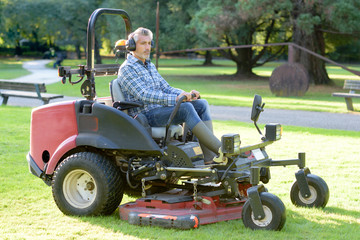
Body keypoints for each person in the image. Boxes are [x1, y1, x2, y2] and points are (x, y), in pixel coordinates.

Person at [116, 27, 221, 164]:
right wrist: (176, 99)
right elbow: (143, 94)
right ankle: (221, 150)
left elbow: (166, 87)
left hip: (160, 111)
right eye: (143, 43)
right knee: (186, 109)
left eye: (149, 43)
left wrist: (185, 94)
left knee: (202, 104)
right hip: (146, 115)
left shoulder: (149, 65)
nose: (147, 47)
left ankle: (209, 159)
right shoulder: (127, 68)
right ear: (132, 45)